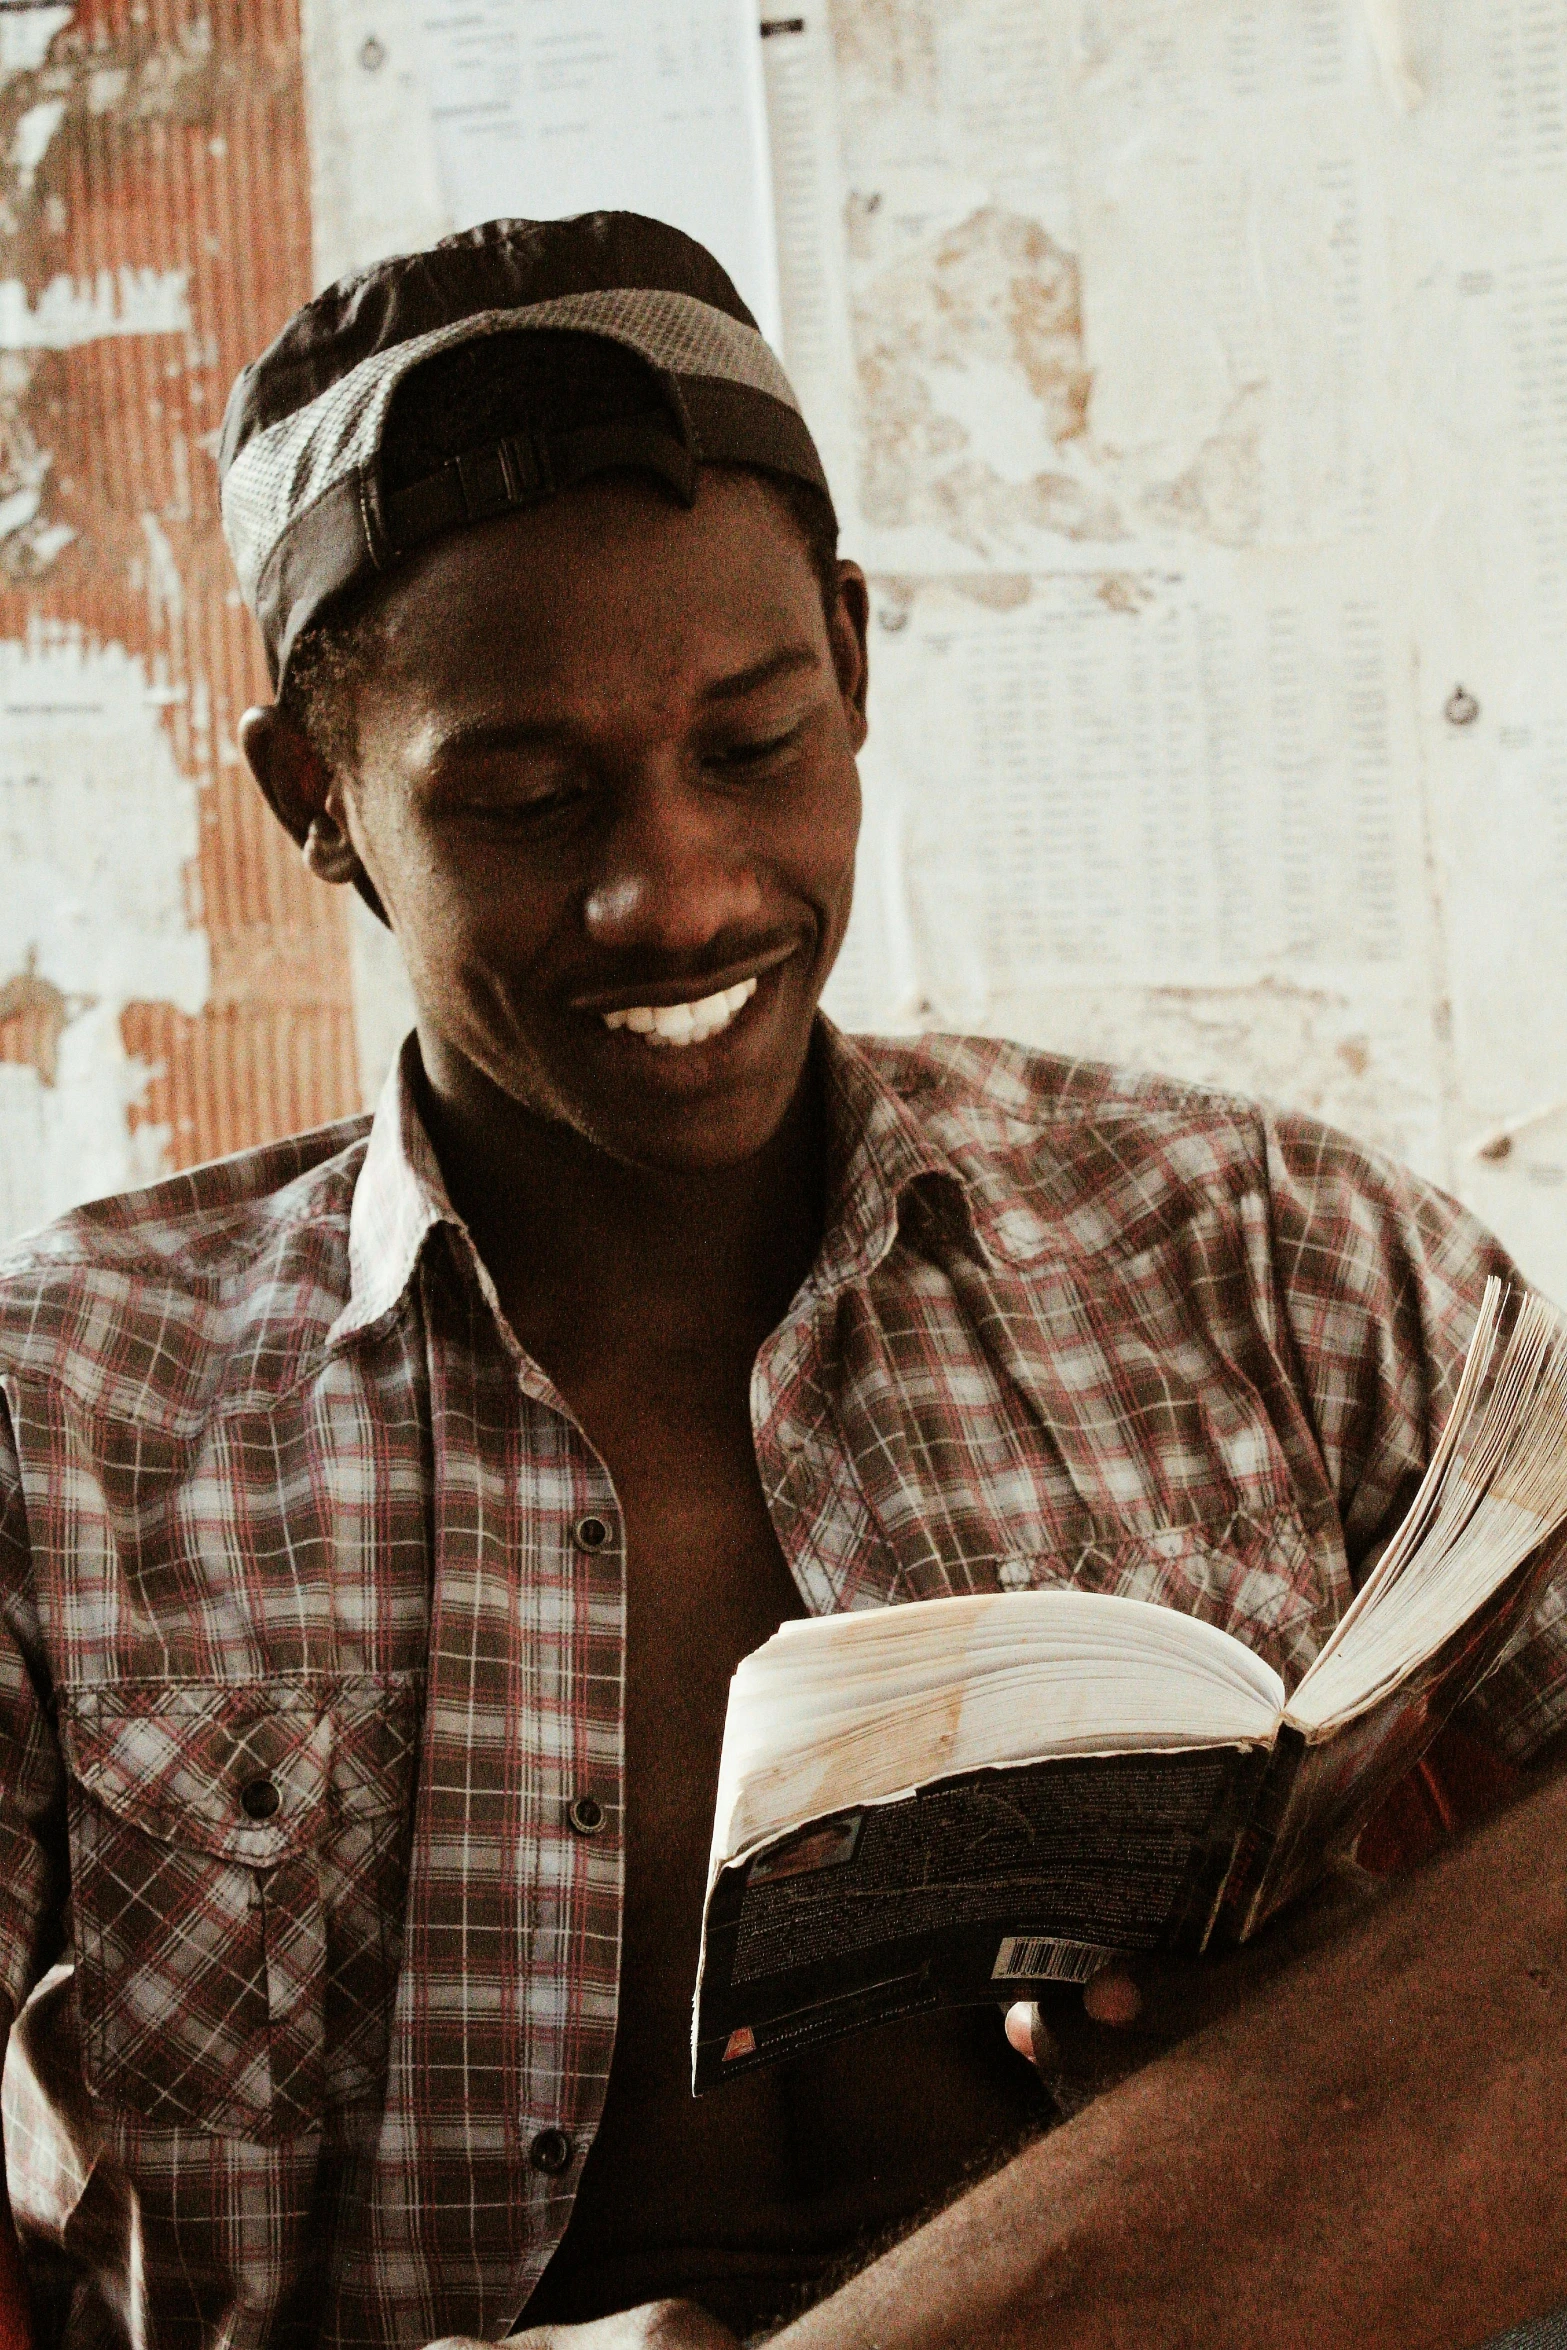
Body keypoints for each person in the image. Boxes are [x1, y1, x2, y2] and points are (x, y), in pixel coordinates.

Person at [0, 211, 1563, 2350]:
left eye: (754, 742)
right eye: (531, 799)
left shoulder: (1277, 1258)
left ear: (849, 648)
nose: (679, 890)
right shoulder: (70, 1407)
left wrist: (1339, 2044)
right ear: (317, 798)